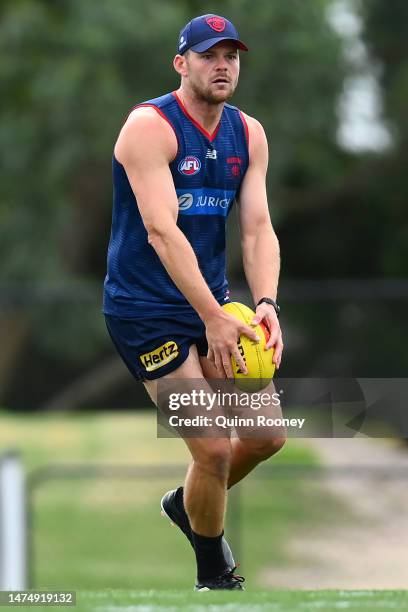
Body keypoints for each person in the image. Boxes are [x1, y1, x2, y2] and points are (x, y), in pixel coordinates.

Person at [103, 13, 286, 591]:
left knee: (264, 438)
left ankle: (187, 506)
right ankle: (215, 577)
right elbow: (162, 231)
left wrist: (265, 303)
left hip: (212, 304)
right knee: (212, 448)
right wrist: (211, 316)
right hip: (143, 310)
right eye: (209, 55)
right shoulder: (148, 128)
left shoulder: (248, 133)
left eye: (231, 55)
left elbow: (256, 228)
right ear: (181, 64)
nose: (223, 65)